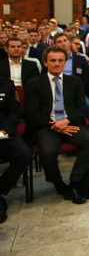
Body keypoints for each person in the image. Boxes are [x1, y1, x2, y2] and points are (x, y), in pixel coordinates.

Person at [25, 46, 89, 204]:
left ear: (65, 63)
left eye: (60, 61)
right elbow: (32, 113)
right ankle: (58, 184)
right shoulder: (34, 83)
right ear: (45, 62)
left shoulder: (74, 82)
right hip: (46, 126)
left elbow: (81, 108)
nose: (56, 64)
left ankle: (75, 182)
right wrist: (56, 124)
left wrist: (66, 121)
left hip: (69, 123)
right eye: (52, 60)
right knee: (48, 151)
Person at [0, 76, 32, 223]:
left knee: (24, 154)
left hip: (2, 133)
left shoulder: (6, 85)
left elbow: (14, 112)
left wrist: (5, 130)